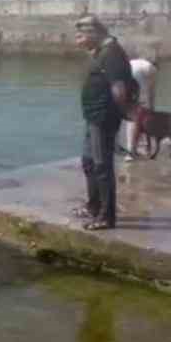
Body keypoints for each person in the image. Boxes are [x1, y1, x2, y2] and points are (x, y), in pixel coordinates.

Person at [74, 16, 135, 229]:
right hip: (93, 118)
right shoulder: (101, 52)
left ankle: (106, 217)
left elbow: (119, 90)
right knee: (89, 162)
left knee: (102, 166)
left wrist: (126, 114)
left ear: (95, 33)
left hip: (103, 119)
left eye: (81, 36)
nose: (77, 40)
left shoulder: (112, 54)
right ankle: (93, 205)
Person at [121, 55, 159, 159]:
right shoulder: (152, 68)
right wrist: (151, 108)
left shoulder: (135, 62)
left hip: (124, 71)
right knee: (137, 114)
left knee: (132, 114)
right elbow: (151, 93)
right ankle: (132, 151)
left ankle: (131, 149)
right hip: (136, 74)